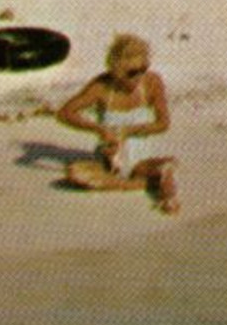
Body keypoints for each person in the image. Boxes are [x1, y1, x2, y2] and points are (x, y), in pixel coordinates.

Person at [56, 34, 179, 214]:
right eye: (131, 72)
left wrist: (128, 131)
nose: (138, 76)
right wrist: (99, 129)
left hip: (141, 158)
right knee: (74, 173)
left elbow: (163, 123)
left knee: (167, 165)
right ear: (116, 70)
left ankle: (157, 194)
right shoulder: (101, 87)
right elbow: (65, 113)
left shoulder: (152, 82)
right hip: (109, 160)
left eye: (143, 69)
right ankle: (141, 184)